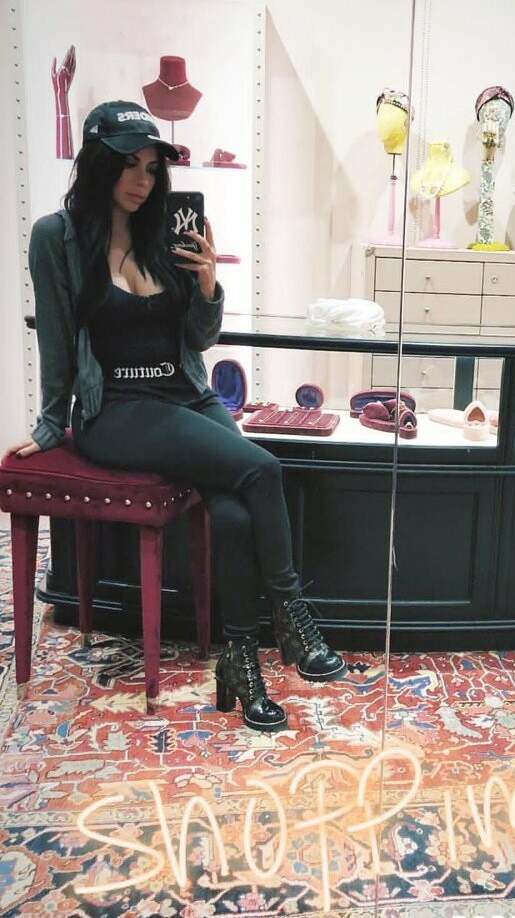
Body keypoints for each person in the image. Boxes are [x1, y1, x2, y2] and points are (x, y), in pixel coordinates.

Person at [4, 101, 345, 733]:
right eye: (128, 165)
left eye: (152, 167)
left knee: (233, 512)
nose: (142, 180)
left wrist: (209, 285)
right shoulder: (59, 238)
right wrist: (52, 424)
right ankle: (293, 619)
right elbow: (55, 336)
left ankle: (242, 665)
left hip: (188, 396)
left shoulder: (164, 232)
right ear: (99, 164)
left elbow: (198, 338)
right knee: (264, 469)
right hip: (119, 412)